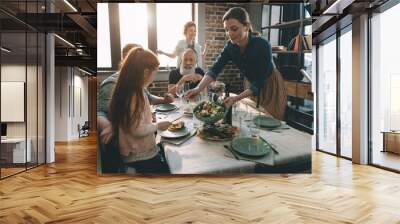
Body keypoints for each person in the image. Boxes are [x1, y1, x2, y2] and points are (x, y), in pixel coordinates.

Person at [185, 7, 287, 120]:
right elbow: (214, 70)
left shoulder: (263, 45)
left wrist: (236, 98)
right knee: (253, 120)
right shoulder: (230, 47)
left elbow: (259, 83)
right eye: (226, 30)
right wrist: (198, 88)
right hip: (250, 84)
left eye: (234, 29)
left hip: (270, 84)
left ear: (246, 27)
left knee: (270, 122)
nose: (229, 34)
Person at [97, 43, 174, 173]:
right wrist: (158, 126)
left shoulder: (131, 88)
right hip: (140, 154)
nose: (154, 77)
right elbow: (136, 129)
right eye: (155, 73)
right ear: (145, 72)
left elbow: (132, 119)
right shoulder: (134, 94)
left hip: (135, 153)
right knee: (169, 169)